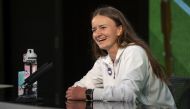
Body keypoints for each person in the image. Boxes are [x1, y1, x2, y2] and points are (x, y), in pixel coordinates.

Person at [66, 6, 176, 107]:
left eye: (103, 27)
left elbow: (128, 95)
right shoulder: (103, 61)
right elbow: (75, 90)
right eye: (94, 30)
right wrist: (82, 92)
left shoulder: (134, 52)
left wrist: (89, 93)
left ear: (119, 30)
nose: (97, 33)